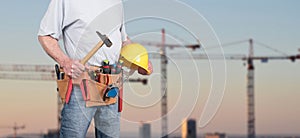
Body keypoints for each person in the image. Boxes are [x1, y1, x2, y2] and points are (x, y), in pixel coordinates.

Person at [38, 0, 152, 137]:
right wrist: (65, 62)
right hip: (81, 84)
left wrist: (139, 60)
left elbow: (123, 40)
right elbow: (45, 35)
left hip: (111, 85)